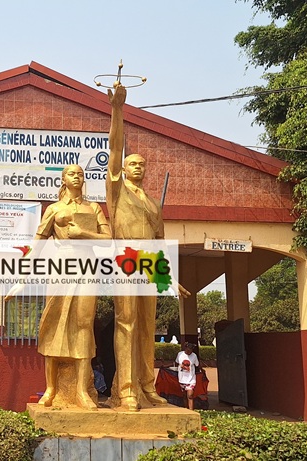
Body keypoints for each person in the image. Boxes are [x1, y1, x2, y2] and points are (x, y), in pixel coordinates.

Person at [106, 81, 191, 412]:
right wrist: (117, 110)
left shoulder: (154, 204)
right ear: (124, 169)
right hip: (125, 260)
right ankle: (125, 389)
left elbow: (159, 244)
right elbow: (115, 150)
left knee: (146, 327)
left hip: (149, 264)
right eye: (133, 164)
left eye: (142, 164)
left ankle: (145, 384)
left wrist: (170, 278)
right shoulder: (117, 191)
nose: (138, 167)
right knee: (126, 322)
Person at [6, 164, 111, 410]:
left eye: (81, 174)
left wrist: (83, 234)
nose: (77, 177)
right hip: (61, 265)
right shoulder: (53, 209)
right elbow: (38, 243)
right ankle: (51, 388)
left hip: (87, 267)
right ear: (63, 179)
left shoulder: (94, 207)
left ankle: (81, 390)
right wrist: (22, 278)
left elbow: (108, 240)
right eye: (72, 174)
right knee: (52, 323)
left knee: (84, 323)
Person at [176, 343, 200, 410]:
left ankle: (191, 410)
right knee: (184, 396)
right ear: (185, 348)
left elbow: (197, 365)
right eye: (188, 350)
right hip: (181, 379)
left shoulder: (194, 356)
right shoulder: (180, 354)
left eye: (191, 350)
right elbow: (177, 363)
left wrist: (202, 370)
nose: (189, 352)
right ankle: (186, 409)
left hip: (191, 379)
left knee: (190, 396)